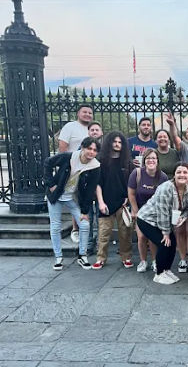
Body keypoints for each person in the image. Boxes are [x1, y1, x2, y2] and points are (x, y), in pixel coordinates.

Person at [44, 137, 100, 270]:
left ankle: (82, 255)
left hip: (72, 198)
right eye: (89, 148)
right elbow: (47, 162)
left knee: (85, 224)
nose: (91, 152)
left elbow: (90, 189)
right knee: (56, 227)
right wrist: (51, 184)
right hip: (56, 196)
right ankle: (58, 258)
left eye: (94, 150)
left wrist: (85, 211)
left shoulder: (95, 166)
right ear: (83, 147)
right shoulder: (69, 157)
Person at [137, 163, 188, 285]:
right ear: (174, 174)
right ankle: (159, 273)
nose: (182, 175)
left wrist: (182, 218)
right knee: (164, 243)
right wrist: (166, 233)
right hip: (147, 219)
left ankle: (166, 270)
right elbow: (162, 212)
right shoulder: (166, 188)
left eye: (185, 172)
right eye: (179, 172)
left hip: (163, 221)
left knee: (173, 243)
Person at [92, 132, 134, 270]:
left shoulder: (127, 162)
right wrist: (101, 202)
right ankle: (101, 258)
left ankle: (126, 257)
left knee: (125, 232)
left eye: (120, 142)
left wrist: (128, 198)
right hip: (106, 202)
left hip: (122, 202)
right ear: (109, 142)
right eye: (114, 141)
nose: (117, 144)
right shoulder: (101, 161)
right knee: (104, 232)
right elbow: (97, 183)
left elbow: (131, 183)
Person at [128, 148, 168, 273]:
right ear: (144, 160)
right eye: (148, 158)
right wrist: (135, 211)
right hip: (140, 211)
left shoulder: (162, 176)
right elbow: (131, 194)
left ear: (157, 160)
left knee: (153, 238)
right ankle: (143, 261)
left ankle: (155, 261)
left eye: (153, 158)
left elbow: (165, 196)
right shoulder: (137, 173)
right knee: (141, 237)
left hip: (155, 212)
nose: (151, 160)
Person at [58, 104, 94, 244]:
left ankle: (86, 228)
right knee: (75, 199)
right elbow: (63, 147)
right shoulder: (70, 127)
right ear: (78, 113)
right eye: (85, 112)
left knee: (85, 199)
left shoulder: (91, 129)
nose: (87, 115)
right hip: (74, 168)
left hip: (89, 169)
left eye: (90, 113)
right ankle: (75, 229)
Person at [86, 120, 103, 255]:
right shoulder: (82, 150)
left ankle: (98, 243)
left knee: (99, 217)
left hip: (99, 189)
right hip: (85, 190)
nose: (95, 132)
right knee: (88, 218)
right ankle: (88, 243)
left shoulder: (103, 151)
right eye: (92, 130)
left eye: (97, 130)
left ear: (101, 133)